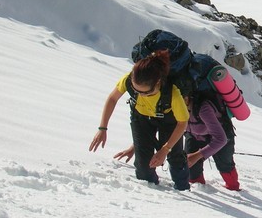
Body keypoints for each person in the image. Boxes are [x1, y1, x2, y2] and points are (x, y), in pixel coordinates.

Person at [89, 50, 190, 190]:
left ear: (158, 83)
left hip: (169, 121)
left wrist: (165, 149)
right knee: (143, 167)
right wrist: (102, 128)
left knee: (174, 157)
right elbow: (112, 98)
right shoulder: (128, 80)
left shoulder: (172, 93)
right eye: (136, 91)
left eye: (146, 93)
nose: (140, 95)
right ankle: (154, 189)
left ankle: (183, 187)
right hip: (141, 118)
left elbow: (182, 123)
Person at [185, 92, 240, 191]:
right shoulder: (175, 107)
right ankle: (199, 190)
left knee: (225, 165)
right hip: (194, 135)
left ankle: (234, 189)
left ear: (187, 97)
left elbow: (221, 139)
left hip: (222, 134)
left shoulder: (203, 108)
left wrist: (197, 155)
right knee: (191, 168)